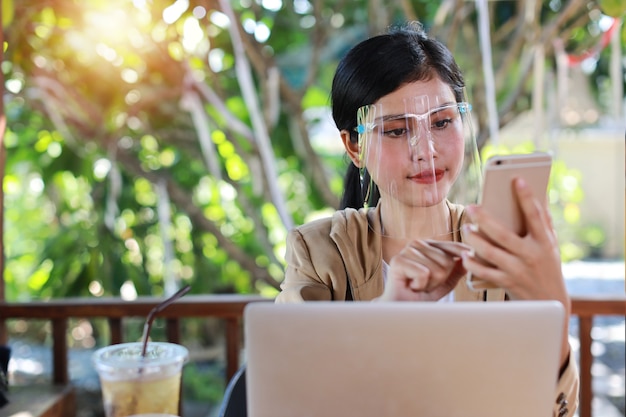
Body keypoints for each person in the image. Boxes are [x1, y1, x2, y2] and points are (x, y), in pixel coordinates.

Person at [275, 21, 578, 416]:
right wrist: (391, 313)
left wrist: (555, 305)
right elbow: (290, 396)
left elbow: (556, 411)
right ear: (354, 146)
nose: (426, 151)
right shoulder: (319, 253)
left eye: (441, 122)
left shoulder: (504, 249)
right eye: (397, 131)